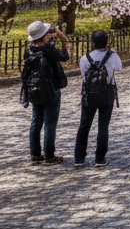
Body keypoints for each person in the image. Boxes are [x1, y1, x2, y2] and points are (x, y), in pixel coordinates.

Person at [22, 21, 71, 165]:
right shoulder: (48, 49)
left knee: (36, 122)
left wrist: (46, 38)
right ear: (44, 35)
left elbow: (39, 46)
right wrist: (63, 38)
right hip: (50, 89)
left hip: (34, 90)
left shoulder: (29, 50)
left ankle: (35, 155)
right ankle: (49, 156)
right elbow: (65, 56)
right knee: (50, 123)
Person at [74, 30, 122, 168]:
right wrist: (112, 51)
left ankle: (79, 158)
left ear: (92, 42)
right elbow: (119, 67)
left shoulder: (85, 58)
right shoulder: (111, 56)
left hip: (89, 94)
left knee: (84, 125)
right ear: (106, 42)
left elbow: (83, 76)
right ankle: (99, 159)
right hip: (106, 93)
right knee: (103, 126)